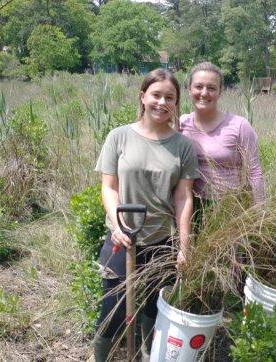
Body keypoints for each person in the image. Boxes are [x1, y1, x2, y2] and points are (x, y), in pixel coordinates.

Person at [93, 69, 198, 361]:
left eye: (170, 97)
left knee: (153, 307)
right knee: (112, 306)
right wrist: (117, 225)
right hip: (122, 239)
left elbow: (183, 197)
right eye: (156, 95)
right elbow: (108, 187)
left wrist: (184, 246)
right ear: (143, 96)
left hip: (161, 240)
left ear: (177, 103)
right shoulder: (119, 136)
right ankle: (101, 356)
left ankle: (146, 352)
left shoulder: (183, 146)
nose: (162, 102)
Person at [180, 61, 265, 217]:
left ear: (220, 91)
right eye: (198, 86)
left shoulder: (239, 125)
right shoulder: (182, 123)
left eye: (211, 88)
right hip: (189, 206)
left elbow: (255, 172)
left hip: (228, 207)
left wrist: (259, 214)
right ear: (189, 89)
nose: (204, 93)